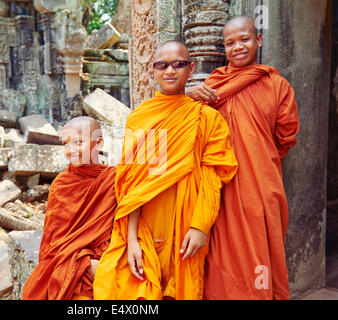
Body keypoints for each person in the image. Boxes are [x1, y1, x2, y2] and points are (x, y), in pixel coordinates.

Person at [93, 41, 238, 300]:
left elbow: (212, 177)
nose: (170, 71)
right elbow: (134, 186)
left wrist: (200, 226)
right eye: (162, 65)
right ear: (153, 70)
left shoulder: (207, 118)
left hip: (188, 222)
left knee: (183, 288)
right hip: (149, 224)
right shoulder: (143, 118)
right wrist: (132, 239)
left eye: (178, 64)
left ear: (191, 69)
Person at [186, 16, 300, 300]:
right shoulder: (213, 85)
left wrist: (258, 158)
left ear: (258, 40)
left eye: (244, 39)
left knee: (260, 250)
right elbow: (189, 130)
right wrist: (189, 96)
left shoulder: (277, 86)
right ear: (224, 49)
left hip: (260, 187)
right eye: (230, 43)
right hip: (219, 189)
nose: (237, 47)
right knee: (223, 255)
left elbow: (285, 138)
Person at [21, 116, 117, 300]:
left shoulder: (114, 179)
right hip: (71, 264)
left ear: (99, 143)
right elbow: (54, 243)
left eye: (78, 142)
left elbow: (122, 224)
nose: (70, 150)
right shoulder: (62, 184)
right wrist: (85, 263)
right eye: (65, 143)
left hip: (107, 257)